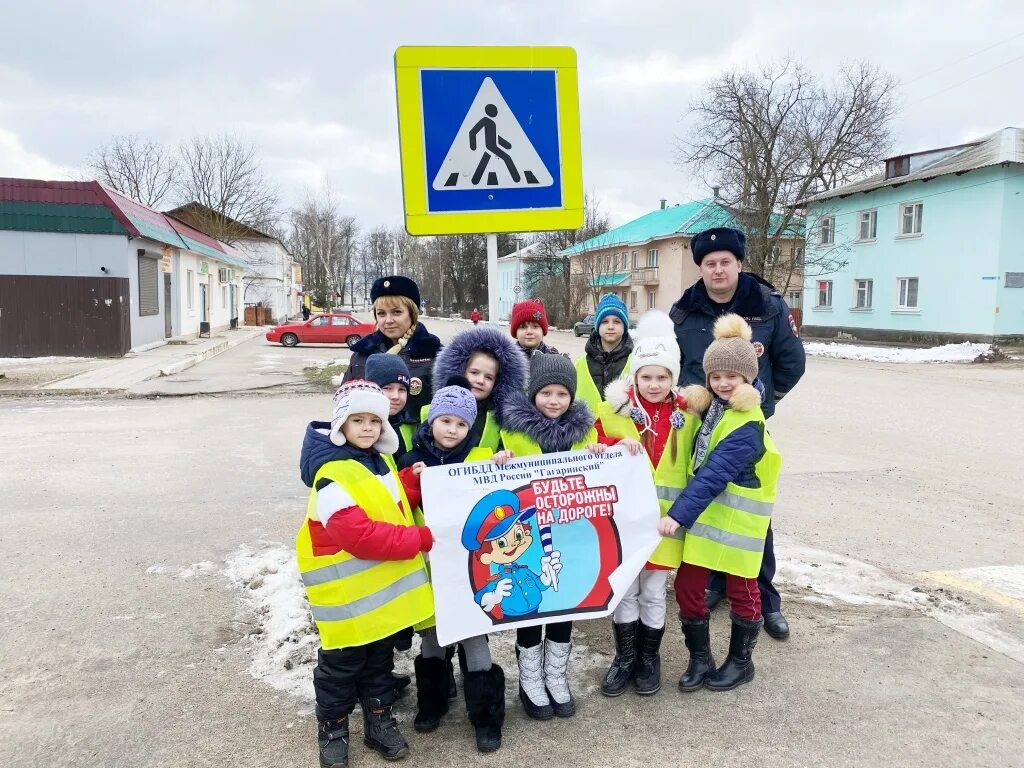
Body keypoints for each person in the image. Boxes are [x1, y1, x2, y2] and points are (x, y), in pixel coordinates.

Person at [670, 226, 805, 640]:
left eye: (725, 261)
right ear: (700, 268)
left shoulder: (768, 306)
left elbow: (792, 363)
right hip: (701, 425)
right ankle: (715, 583)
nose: (717, 269)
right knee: (709, 505)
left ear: (739, 264)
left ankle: (766, 597)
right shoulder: (684, 311)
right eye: (709, 263)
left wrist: (763, 402)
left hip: (745, 426)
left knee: (750, 514)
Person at [297, 380, 434, 767]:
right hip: (345, 601)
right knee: (340, 668)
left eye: (375, 420)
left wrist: (411, 486)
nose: (368, 427)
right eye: (357, 419)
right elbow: (359, 534)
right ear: (341, 424)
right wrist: (418, 538)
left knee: (379, 662)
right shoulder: (331, 475)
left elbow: (386, 502)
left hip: (376, 599)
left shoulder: (378, 460)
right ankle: (334, 728)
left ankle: (379, 720)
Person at [659, 314, 782, 692]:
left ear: (748, 376)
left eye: (733, 375)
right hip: (707, 522)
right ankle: (701, 658)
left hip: (735, 527)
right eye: (716, 376)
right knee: (688, 589)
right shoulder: (710, 411)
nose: (724, 382)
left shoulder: (747, 423)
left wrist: (677, 515)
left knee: (745, 594)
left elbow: (714, 472)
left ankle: (740, 662)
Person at [397, 379, 513, 753]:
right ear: (431, 422)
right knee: (432, 637)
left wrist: (500, 464)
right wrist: (411, 482)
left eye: (461, 424)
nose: (452, 429)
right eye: (446, 421)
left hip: (471, 569)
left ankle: (486, 715)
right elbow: (401, 504)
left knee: (473, 636)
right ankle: (432, 702)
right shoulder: (410, 462)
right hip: (430, 566)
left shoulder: (480, 458)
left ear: (470, 428)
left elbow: (501, 491)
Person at [593, 309, 701, 697]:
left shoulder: (688, 417)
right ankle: (623, 657)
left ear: (673, 378)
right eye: (646, 376)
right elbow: (589, 455)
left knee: (654, 592)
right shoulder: (611, 413)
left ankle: (648, 658)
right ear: (633, 376)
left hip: (666, 525)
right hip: (622, 524)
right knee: (625, 590)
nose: (654, 384)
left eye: (662, 377)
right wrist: (608, 445)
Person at [499, 354, 604, 720]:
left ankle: (555, 676)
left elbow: (599, 473)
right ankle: (530, 680)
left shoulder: (585, 431)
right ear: (533, 394)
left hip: (570, 536)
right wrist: (498, 458)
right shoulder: (512, 431)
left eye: (562, 393)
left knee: (564, 604)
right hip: (527, 536)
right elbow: (487, 472)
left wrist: (599, 453)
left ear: (572, 397)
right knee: (531, 606)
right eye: (546, 392)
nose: (554, 401)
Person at [345, 275, 443, 419]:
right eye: (381, 314)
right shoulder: (361, 355)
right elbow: (345, 404)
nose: (388, 320)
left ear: (412, 314)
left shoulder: (435, 354)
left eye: (397, 312)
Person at [431, 324, 529, 452]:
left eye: (489, 377)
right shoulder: (437, 408)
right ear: (461, 371)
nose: (480, 381)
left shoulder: (502, 420)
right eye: (474, 373)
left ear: (498, 383)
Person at [575, 293, 633, 411]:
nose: (610, 326)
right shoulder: (580, 365)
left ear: (625, 326)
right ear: (597, 325)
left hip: (624, 429)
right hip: (588, 429)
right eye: (605, 321)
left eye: (617, 321)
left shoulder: (636, 364)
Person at [365, 353, 417, 462]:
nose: (396, 396)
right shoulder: (360, 429)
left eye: (402, 389)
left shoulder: (414, 426)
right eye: (387, 388)